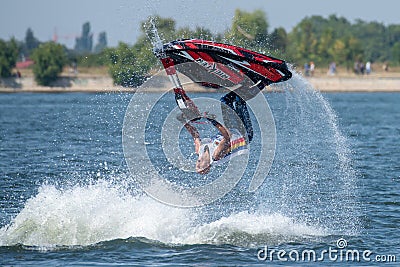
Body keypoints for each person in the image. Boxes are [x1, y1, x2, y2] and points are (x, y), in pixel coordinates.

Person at [178, 91, 251, 174]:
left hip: (232, 128)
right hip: (244, 134)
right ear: (208, 166)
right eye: (200, 167)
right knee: (239, 102)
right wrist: (213, 121)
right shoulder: (216, 155)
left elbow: (195, 135)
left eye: (196, 167)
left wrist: (183, 121)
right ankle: (262, 83)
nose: (197, 165)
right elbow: (227, 136)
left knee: (225, 101)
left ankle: (243, 86)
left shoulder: (199, 151)